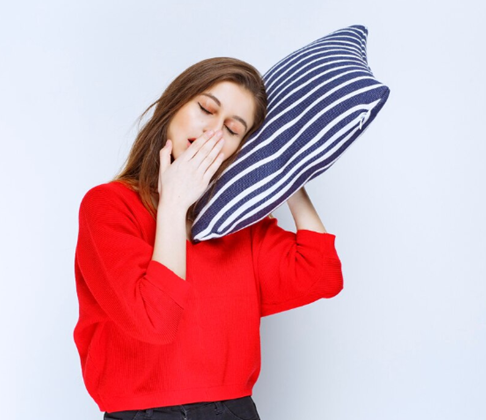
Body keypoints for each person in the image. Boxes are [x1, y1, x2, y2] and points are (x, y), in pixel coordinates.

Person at [73, 57, 344, 420]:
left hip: (233, 410)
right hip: (140, 414)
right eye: (206, 109)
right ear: (175, 104)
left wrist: (287, 169)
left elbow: (321, 274)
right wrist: (173, 205)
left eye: (232, 130)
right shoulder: (108, 206)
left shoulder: (239, 225)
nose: (214, 133)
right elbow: (156, 321)